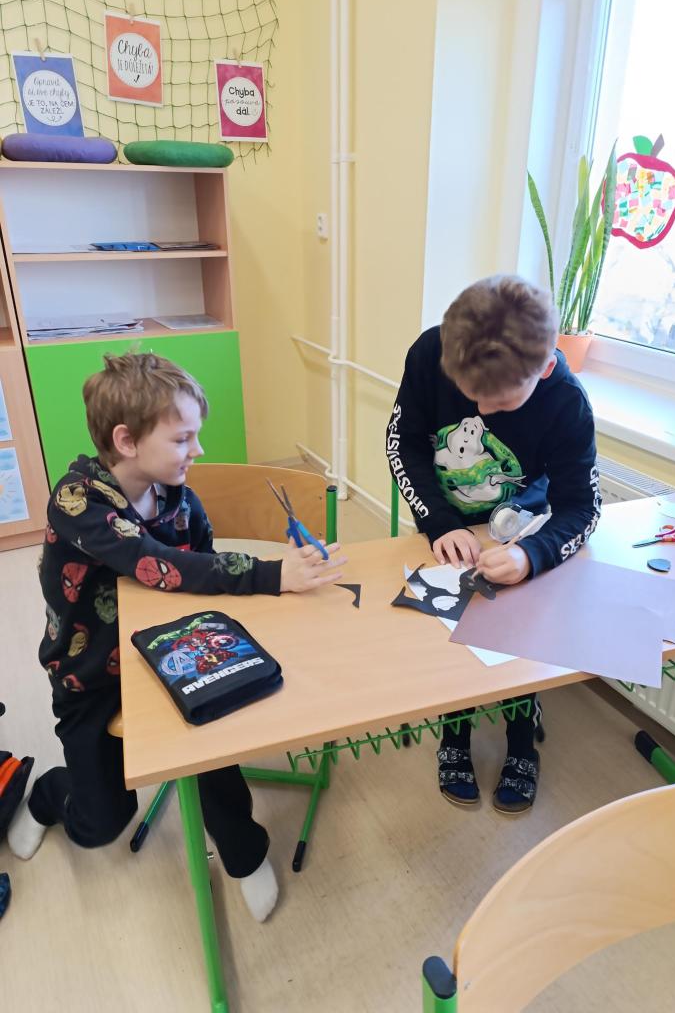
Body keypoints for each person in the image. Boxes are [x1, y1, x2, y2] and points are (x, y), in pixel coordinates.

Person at [8, 352, 346, 920]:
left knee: (211, 747)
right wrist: (271, 574)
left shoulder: (179, 497)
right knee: (101, 824)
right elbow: (156, 564)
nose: (199, 451)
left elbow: (204, 577)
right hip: (90, 677)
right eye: (184, 438)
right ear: (126, 441)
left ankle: (243, 852)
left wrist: (277, 588)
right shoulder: (77, 500)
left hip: (168, 655)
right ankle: (46, 796)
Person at [386, 274, 601, 813]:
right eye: (470, 394)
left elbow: (582, 507)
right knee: (452, 629)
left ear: (543, 368)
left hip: (524, 525)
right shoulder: (431, 352)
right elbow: (402, 444)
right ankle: (454, 730)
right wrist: (438, 522)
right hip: (443, 521)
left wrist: (532, 554)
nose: (480, 412)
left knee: (517, 631)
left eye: (500, 402)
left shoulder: (567, 402)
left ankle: (522, 736)